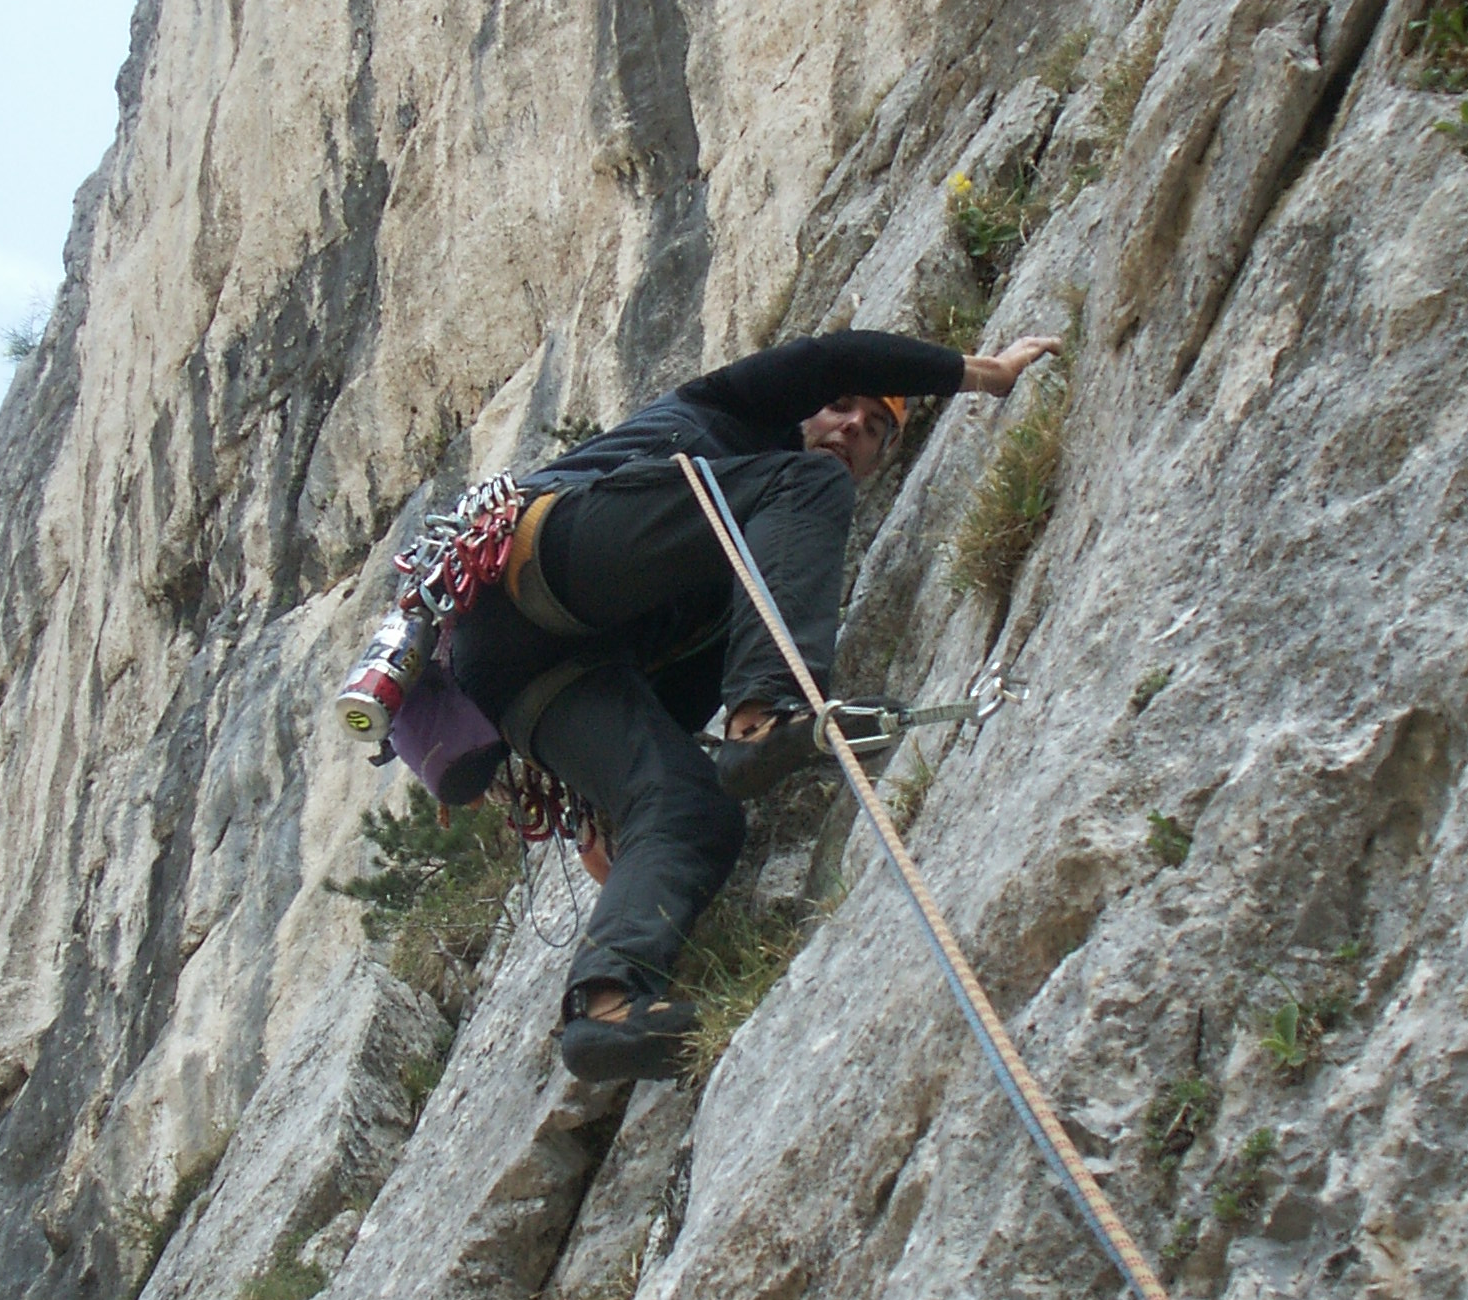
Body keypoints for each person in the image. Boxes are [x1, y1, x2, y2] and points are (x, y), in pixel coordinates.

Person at [446, 326, 1065, 1082]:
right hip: (543, 548)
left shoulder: (758, 572)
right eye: (841, 408)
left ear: (883, 459)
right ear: (805, 406)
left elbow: (661, 707)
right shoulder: (734, 413)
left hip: (522, 672)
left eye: (876, 429)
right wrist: (985, 373)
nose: (852, 428)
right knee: (805, 485)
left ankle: (606, 1006)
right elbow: (832, 356)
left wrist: (611, 803)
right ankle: (763, 719)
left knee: (689, 807)